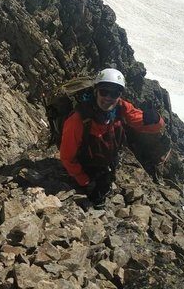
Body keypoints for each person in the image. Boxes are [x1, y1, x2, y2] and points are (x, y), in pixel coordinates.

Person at [59, 68, 166, 207]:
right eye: (104, 91)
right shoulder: (78, 120)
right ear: (96, 91)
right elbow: (67, 157)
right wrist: (84, 181)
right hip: (86, 167)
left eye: (115, 93)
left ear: (119, 96)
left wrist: (156, 120)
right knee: (97, 200)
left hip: (107, 161)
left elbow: (146, 124)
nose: (109, 97)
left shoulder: (121, 107)